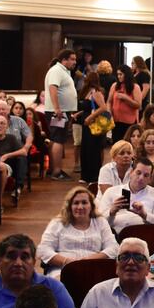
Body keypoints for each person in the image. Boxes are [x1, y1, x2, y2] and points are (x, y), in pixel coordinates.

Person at [36, 186, 118, 280]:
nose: (80, 207)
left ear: (91, 205)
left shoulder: (100, 221)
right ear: (69, 206)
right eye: (76, 203)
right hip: (63, 268)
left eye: (84, 202)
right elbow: (43, 249)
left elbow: (113, 247)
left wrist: (90, 260)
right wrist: (67, 262)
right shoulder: (57, 223)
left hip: (95, 267)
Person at [96, 157, 154, 231]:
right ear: (131, 173)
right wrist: (112, 212)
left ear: (150, 178)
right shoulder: (111, 192)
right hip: (115, 235)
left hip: (143, 235)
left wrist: (144, 215)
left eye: (146, 175)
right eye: (138, 173)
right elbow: (98, 221)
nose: (141, 178)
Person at [43, 49, 78, 180]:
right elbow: (53, 88)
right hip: (58, 111)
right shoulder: (56, 71)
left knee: (56, 139)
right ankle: (57, 171)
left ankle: (53, 168)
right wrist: (57, 108)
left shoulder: (63, 71)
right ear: (64, 60)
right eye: (72, 59)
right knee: (58, 140)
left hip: (61, 110)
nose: (75, 62)